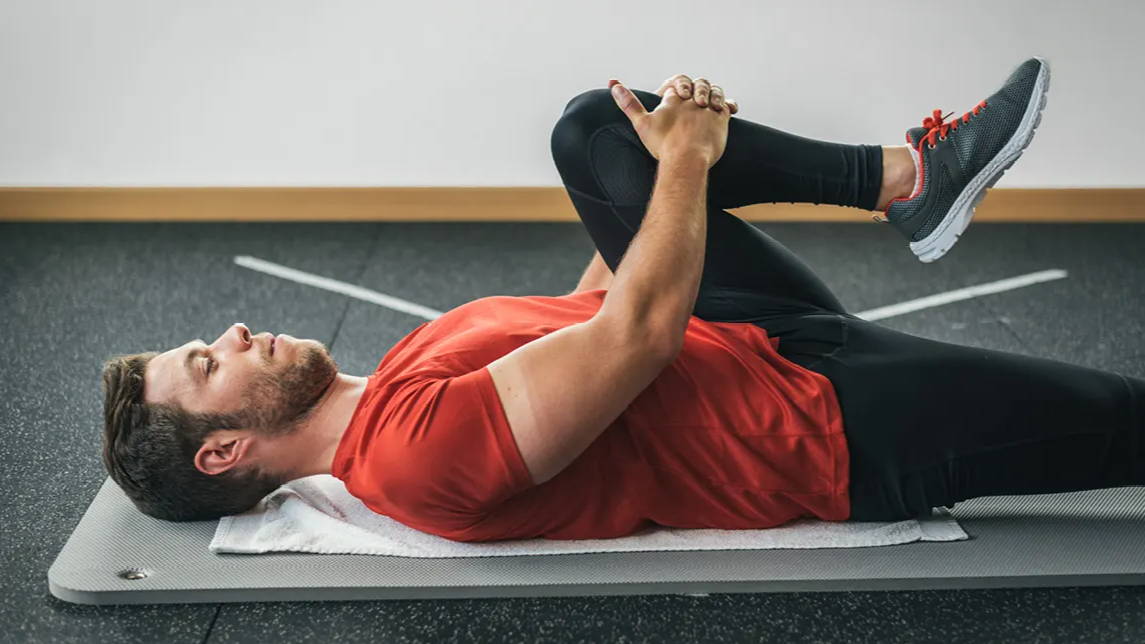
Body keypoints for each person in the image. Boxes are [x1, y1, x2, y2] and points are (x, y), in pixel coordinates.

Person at [100, 57, 1144, 542]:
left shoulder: (391, 381)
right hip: (830, 428)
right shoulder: (409, 455)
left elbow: (589, 309)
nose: (229, 333)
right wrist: (685, 167)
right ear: (223, 450)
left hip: (752, 335)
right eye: (206, 362)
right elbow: (636, 335)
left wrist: (644, 176)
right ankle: (913, 188)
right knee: (1122, 424)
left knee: (588, 133)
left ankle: (908, 181)